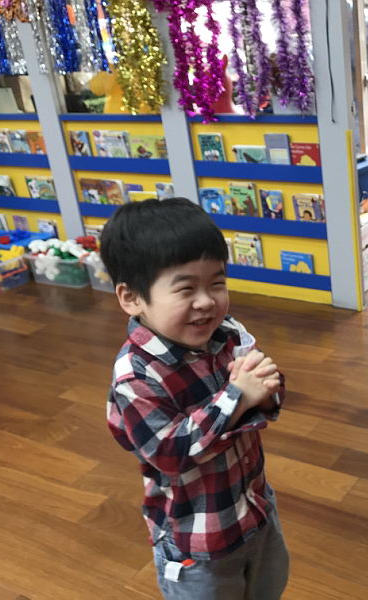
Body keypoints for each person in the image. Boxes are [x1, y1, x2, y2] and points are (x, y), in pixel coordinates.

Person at [101, 198, 289, 599]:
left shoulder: (229, 333)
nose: (206, 301)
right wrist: (237, 397)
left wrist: (265, 392)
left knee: (269, 587)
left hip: (255, 507)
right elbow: (169, 452)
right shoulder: (135, 375)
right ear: (132, 298)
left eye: (216, 283)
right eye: (186, 288)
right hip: (197, 541)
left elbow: (266, 388)